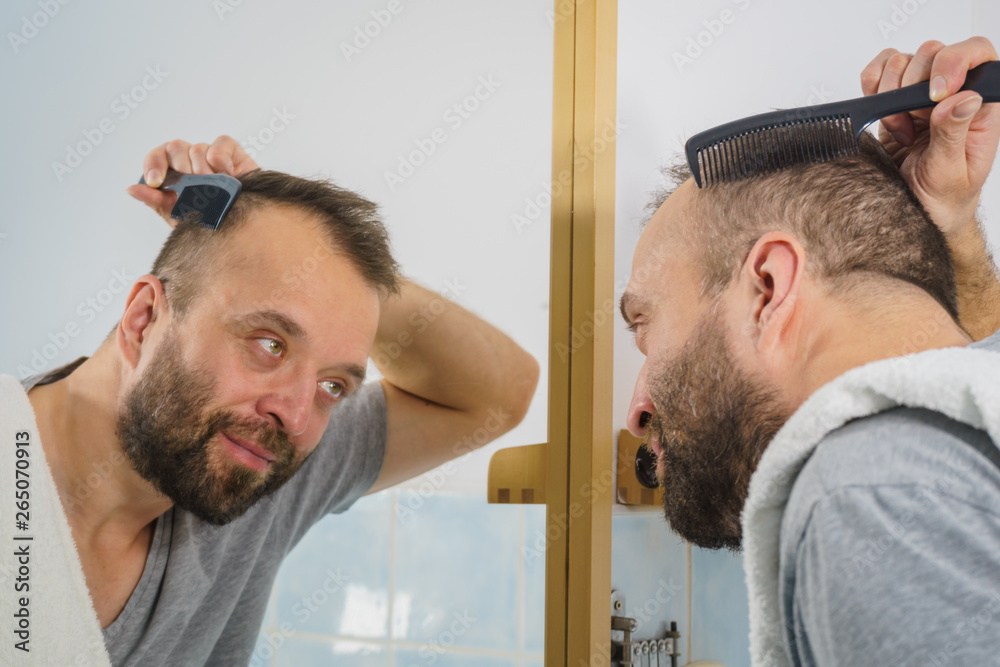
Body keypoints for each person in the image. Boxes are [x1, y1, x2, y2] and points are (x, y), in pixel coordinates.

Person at [5, 154, 539, 665]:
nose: (298, 417)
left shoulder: (253, 470)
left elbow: (496, 394)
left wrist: (305, 242)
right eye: (270, 345)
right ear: (144, 319)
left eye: (333, 385)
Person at [621, 38, 1000, 665]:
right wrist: (951, 229)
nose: (635, 410)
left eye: (646, 325)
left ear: (767, 287)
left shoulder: (867, 492)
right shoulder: (951, 449)